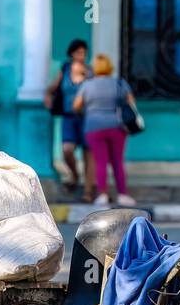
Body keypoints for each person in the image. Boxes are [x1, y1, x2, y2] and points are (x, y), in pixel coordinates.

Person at [73, 54, 138, 207]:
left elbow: (76, 105)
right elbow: (131, 101)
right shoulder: (119, 83)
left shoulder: (87, 85)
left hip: (93, 126)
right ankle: (122, 194)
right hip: (116, 126)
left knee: (100, 161)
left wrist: (88, 112)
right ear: (109, 67)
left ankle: (102, 194)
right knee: (117, 161)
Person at [44, 39, 95, 201]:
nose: (82, 55)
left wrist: (88, 78)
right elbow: (52, 88)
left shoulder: (90, 72)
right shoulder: (65, 69)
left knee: (89, 154)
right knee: (67, 149)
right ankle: (74, 174)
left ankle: (88, 191)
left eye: (84, 53)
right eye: (79, 52)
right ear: (72, 53)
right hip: (68, 117)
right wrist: (47, 97)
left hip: (87, 117)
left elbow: (96, 92)